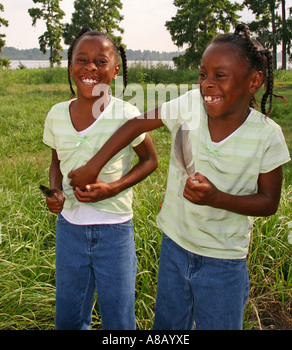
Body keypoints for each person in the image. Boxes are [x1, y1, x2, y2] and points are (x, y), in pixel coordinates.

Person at [68, 24, 290, 330]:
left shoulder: (268, 136)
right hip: (174, 247)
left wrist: (217, 198)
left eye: (219, 75)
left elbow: (269, 202)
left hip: (224, 262)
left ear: (254, 81)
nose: (207, 84)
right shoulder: (189, 106)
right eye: (203, 75)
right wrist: (94, 165)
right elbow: (136, 125)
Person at [43, 28, 158, 330]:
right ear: (70, 67)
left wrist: (113, 188)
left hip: (115, 232)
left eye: (100, 61)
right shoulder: (56, 115)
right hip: (70, 229)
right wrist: (55, 191)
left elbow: (150, 160)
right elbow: (56, 162)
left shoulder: (127, 115)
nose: (90, 67)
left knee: (118, 318)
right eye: (81, 59)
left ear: (115, 70)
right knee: (68, 316)